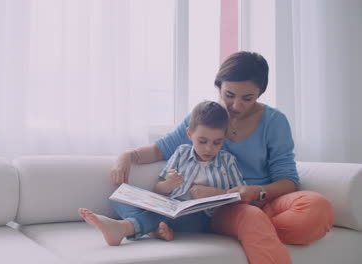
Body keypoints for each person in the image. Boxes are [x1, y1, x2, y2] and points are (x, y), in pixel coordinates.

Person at [110, 51, 334, 264]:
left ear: (260, 93)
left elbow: (288, 180)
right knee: (249, 217)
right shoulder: (207, 117)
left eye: (248, 98)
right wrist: (128, 155)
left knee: (317, 208)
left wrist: (258, 191)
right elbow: (161, 149)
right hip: (225, 208)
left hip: (265, 200)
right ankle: (250, 227)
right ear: (218, 88)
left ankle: (254, 231)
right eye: (229, 95)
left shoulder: (275, 122)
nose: (236, 105)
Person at [79, 101, 246, 246]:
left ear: (224, 138)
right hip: (169, 206)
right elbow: (158, 188)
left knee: (172, 216)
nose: (209, 148)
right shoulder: (181, 153)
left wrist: (217, 194)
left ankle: (124, 228)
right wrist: (168, 185)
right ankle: (154, 230)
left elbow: (243, 196)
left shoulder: (227, 161)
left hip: (199, 218)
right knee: (118, 197)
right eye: (202, 141)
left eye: (217, 142)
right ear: (190, 134)